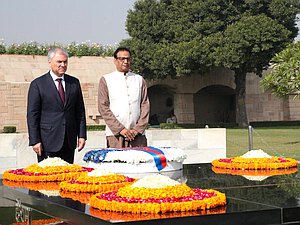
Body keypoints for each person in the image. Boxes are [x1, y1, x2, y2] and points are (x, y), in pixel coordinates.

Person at [27, 47, 87, 163]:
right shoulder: (38, 84)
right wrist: (35, 140)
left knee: (68, 177)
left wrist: (82, 135)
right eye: (59, 62)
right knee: (48, 178)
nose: (63, 65)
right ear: (50, 62)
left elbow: (80, 111)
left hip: (69, 141)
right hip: (47, 142)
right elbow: (32, 115)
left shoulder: (74, 83)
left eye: (65, 62)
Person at [98, 47, 150, 148]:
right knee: (117, 163)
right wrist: (121, 130)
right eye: (122, 59)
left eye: (128, 59)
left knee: (140, 162)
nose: (125, 62)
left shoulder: (139, 80)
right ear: (115, 60)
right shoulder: (106, 80)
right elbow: (103, 107)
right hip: (115, 135)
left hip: (138, 135)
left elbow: (145, 106)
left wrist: (137, 129)